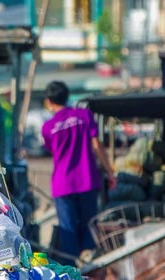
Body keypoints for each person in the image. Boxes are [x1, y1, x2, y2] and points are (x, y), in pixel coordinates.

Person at [41, 80, 116, 262]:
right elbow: (97, 145)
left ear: (49, 101)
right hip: (87, 181)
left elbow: (52, 151)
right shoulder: (84, 116)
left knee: (68, 230)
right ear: (67, 97)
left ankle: (70, 275)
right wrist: (111, 172)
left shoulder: (48, 128)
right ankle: (90, 270)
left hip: (62, 185)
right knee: (89, 227)